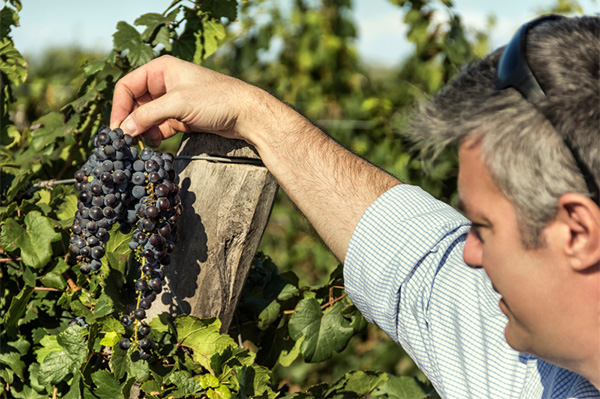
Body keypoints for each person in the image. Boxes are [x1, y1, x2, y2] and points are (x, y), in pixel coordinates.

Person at [110, 14, 600, 398]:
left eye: (482, 226)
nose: (468, 253)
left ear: (578, 231)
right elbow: (414, 263)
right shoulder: (542, 362)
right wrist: (250, 113)